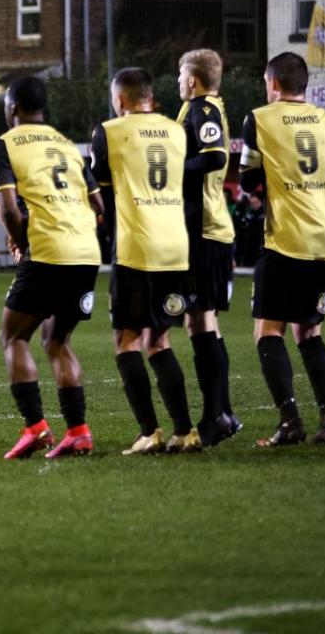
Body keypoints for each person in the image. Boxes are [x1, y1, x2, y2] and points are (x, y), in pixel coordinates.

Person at [239, 51, 325, 447]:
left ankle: (290, 421)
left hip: (285, 240)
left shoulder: (259, 119)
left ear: (274, 84)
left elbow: (247, 180)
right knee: (310, 330)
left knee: (267, 331)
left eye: (267, 84)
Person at [0, 76, 103, 459]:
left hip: (48, 251)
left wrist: (23, 242)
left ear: (13, 108)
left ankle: (36, 428)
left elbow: (5, 207)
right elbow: (99, 207)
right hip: (86, 252)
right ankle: (79, 432)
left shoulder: (5, 145)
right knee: (57, 340)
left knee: (12, 336)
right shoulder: (66, 145)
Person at [91, 68, 198, 455]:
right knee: (160, 338)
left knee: (126, 340)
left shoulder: (109, 131)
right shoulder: (177, 131)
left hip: (135, 246)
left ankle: (149, 432)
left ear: (120, 100)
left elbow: (100, 192)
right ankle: (185, 432)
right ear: (150, 97)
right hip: (175, 246)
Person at [176, 49, 243, 445]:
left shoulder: (202, 109)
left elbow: (216, 156)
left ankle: (215, 416)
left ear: (193, 80)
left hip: (204, 228)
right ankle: (224, 412)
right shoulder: (203, 108)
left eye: (180, 74)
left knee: (199, 320)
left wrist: (172, 166)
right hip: (207, 228)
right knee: (203, 321)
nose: (177, 80)